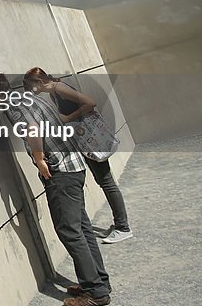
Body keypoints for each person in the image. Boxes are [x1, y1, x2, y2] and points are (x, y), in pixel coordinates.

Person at [0, 73, 112, 306]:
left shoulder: (14, 105)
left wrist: (40, 159)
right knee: (81, 229)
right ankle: (99, 282)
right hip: (75, 167)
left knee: (69, 232)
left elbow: (32, 129)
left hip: (60, 173)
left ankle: (95, 292)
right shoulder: (31, 98)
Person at [24, 67, 132, 244]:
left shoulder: (59, 88)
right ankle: (120, 224)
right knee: (104, 181)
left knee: (107, 182)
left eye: (31, 86)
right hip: (87, 141)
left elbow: (90, 103)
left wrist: (67, 118)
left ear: (39, 82)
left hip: (90, 140)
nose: (31, 90)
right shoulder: (55, 90)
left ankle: (123, 227)